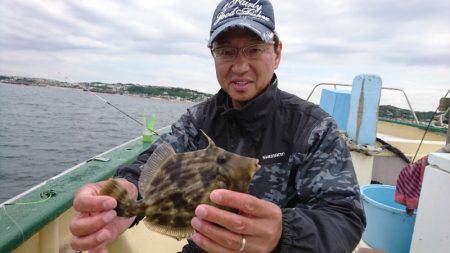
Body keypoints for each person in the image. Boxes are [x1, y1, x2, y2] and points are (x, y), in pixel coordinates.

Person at [69, 0, 366, 252]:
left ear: (276, 52)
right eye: (226, 51)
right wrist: (125, 191)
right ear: (213, 54)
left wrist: (282, 234)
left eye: (253, 49)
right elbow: (155, 162)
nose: (239, 66)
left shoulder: (312, 127)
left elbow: (344, 217)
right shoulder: (198, 120)